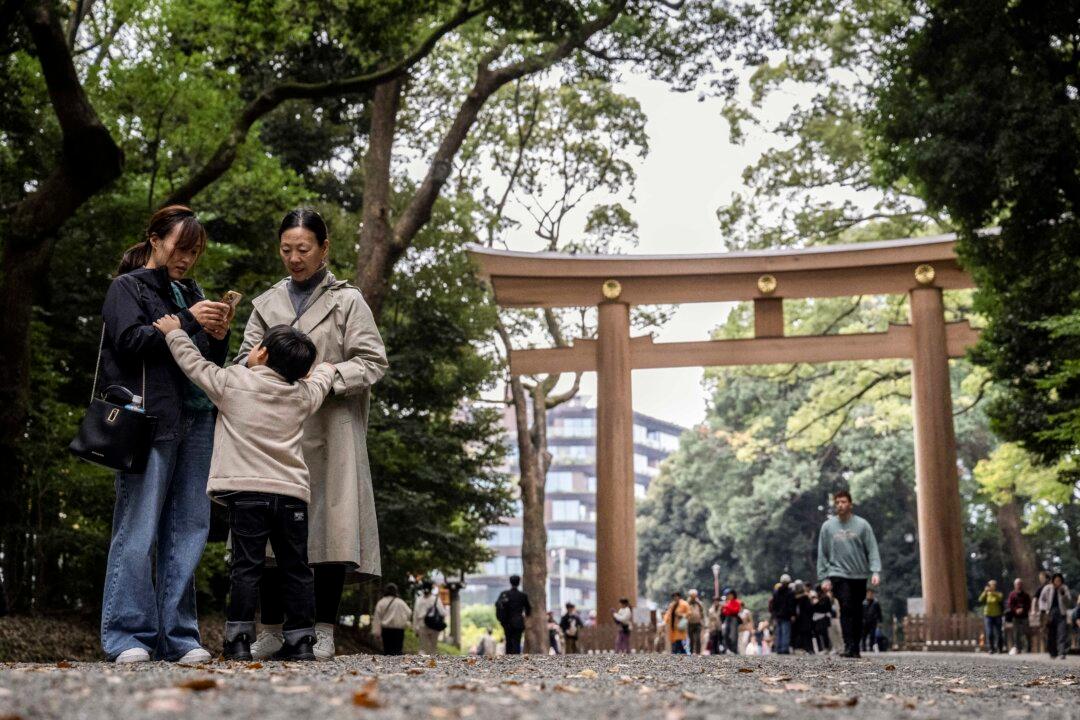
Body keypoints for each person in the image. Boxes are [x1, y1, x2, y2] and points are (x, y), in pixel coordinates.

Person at [240, 208, 388, 661]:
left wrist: (326, 375)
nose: (294, 258)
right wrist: (262, 368)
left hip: (331, 427)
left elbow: (372, 360)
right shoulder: (266, 303)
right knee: (266, 528)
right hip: (273, 432)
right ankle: (270, 628)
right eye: (286, 249)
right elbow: (245, 357)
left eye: (303, 249)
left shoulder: (348, 302)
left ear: (325, 248)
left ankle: (323, 628)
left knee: (330, 528)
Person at [156, 316, 334, 661]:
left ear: (262, 354)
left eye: (255, 347)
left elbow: (194, 364)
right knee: (296, 567)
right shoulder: (301, 394)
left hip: (246, 494)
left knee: (246, 567)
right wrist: (322, 370)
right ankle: (300, 641)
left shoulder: (233, 383)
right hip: (291, 495)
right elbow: (323, 379)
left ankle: (238, 640)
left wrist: (174, 332)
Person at [99, 206, 231, 664]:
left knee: (189, 529)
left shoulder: (191, 291)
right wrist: (192, 321)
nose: (188, 258)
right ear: (155, 239)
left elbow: (203, 359)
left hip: (198, 419)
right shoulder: (127, 287)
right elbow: (129, 342)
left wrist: (217, 332)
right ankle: (126, 636)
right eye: (181, 247)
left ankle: (178, 636)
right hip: (148, 420)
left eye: (195, 251)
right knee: (138, 529)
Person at [816, 489, 881, 658]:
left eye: (843, 502)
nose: (840, 505)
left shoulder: (862, 525)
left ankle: (855, 647)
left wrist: (875, 570)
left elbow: (872, 548)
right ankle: (848, 644)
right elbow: (822, 553)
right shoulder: (828, 527)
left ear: (850, 504)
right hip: (838, 573)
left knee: (857, 610)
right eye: (837, 502)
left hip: (859, 574)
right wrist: (824, 577)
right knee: (845, 606)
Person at [1038, 573, 1073, 659]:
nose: (1058, 582)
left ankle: (1062, 652)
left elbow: (1068, 603)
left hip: (1061, 613)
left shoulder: (1064, 588)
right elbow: (1041, 600)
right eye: (1056, 580)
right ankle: (1053, 652)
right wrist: (1044, 609)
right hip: (1050, 613)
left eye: (1059, 581)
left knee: (1062, 633)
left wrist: (1063, 594)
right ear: (1053, 581)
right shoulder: (1047, 588)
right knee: (1051, 634)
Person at [495, 575, 531, 654]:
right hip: (518, 622)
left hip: (507, 622)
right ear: (519, 582)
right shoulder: (523, 596)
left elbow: (497, 604)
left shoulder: (504, 594)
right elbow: (528, 610)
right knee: (517, 641)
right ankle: (516, 658)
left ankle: (508, 657)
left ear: (510, 582)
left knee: (508, 640)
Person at [371, 583, 411, 656]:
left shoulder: (381, 602)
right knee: (398, 652)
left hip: (386, 631)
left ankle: (388, 666)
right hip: (399, 631)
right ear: (396, 591)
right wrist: (404, 621)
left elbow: (377, 618)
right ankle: (398, 666)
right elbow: (409, 612)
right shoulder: (400, 602)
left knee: (387, 652)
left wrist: (377, 632)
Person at [412, 580, 446, 655]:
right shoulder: (435, 599)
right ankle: (432, 663)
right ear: (431, 589)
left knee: (423, 648)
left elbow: (415, 615)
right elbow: (442, 613)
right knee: (433, 648)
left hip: (422, 625)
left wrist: (415, 629)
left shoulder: (419, 599)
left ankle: (423, 663)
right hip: (434, 626)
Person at [978, 579, 1005, 654]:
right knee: (989, 633)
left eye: (993, 585)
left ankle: (1000, 648)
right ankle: (991, 648)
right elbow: (980, 600)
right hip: (988, 615)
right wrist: (985, 592)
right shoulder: (987, 594)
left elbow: (1000, 598)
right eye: (990, 585)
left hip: (997, 615)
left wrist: (993, 592)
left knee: (999, 633)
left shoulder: (998, 593)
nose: (991, 586)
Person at [771, 575, 796, 654]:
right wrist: (793, 614)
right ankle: (784, 649)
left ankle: (779, 648)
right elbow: (792, 604)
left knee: (779, 632)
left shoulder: (776, 592)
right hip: (786, 615)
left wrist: (774, 614)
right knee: (785, 632)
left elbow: (773, 605)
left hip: (778, 615)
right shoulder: (790, 592)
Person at [1006, 578, 1032, 654]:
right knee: (1016, 633)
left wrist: (1023, 609)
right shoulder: (1012, 594)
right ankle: (1018, 648)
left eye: (1020, 584)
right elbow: (1010, 604)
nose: (1019, 585)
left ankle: (1027, 648)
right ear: (1015, 585)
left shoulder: (1026, 595)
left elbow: (1028, 604)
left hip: (1024, 616)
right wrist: (1016, 610)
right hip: (1015, 616)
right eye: (1017, 584)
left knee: (1026, 632)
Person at [792, 581, 816, 654]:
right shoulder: (804, 596)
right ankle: (808, 649)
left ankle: (808, 649)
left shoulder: (800, 597)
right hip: (804, 618)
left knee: (805, 634)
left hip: (803, 618)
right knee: (806, 634)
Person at [811, 584, 835, 654]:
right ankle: (822, 648)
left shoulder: (825, 598)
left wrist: (817, 603)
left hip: (823, 618)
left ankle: (827, 648)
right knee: (819, 633)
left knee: (824, 634)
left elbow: (825, 608)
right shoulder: (818, 597)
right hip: (818, 618)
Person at [721, 588, 743, 654]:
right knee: (725, 633)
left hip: (734, 618)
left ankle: (734, 649)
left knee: (733, 635)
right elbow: (725, 612)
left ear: (733, 595)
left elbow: (736, 610)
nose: (728, 596)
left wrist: (726, 606)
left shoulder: (737, 602)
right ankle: (727, 648)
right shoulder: (727, 602)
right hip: (727, 619)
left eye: (729, 595)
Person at [861, 588, 883, 653]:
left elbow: (879, 613)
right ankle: (863, 647)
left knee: (872, 635)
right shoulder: (863, 602)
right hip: (864, 622)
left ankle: (871, 647)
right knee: (863, 636)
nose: (870, 595)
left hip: (873, 622)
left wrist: (880, 621)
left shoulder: (876, 603)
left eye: (871, 593)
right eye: (868, 593)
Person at [686, 589, 706, 654]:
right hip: (690, 623)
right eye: (692, 595)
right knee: (691, 639)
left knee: (697, 638)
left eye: (694, 595)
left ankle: (698, 652)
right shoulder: (687, 603)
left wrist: (703, 622)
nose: (693, 597)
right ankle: (691, 652)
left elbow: (702, 613)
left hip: (698, 623)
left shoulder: (699, 603)